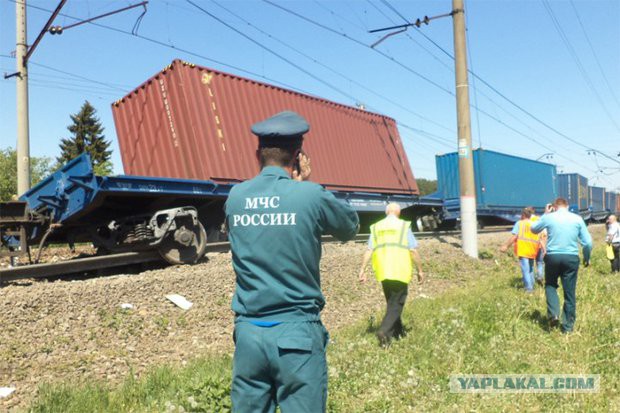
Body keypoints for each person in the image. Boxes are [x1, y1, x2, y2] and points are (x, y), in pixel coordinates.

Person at [225, 110, 359, 413]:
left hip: (249, 334)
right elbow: (349, 228)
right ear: (297, 155)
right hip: (296, 334)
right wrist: (305, 184)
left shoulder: (235, 197)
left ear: (257, 154)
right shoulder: (310, 195)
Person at [358, 203, 424, 347]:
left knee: (392, 302)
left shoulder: (376, 226)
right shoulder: (403, 226)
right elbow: (412, 251)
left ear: (387, 212)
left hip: (383, 270)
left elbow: (369, 249)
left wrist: (362, 269)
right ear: (399, 213)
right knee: (397, 302)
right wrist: (420, 270)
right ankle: (384, 331)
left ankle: (398, 332)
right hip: (399, 269)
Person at [530, 198, 592, 334]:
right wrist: (587, 258)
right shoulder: (577, 219)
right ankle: (568, 327)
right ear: (567, 206)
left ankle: (554, 314)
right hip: (571, 258)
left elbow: (533, 229)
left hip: (552, 257)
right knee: (569, 293)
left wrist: (545, 214)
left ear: (553, 207)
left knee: (550, 285)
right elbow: (587, 243)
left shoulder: (549, 217)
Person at [499, 208, 541, 292]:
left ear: (523, 215)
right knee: (530, 269)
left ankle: (529, 289)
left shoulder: (519, 223)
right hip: (533, 249)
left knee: (525, 269)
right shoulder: (534, 224)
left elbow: (514, 236)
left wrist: (506, 246)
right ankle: (532, 285)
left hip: (523, 249)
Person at [528, 206, 547, 286]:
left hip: (530, 245)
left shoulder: (526, 221)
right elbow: (544, 233)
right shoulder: (539, 220)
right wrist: (544, 246)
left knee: (530, 264)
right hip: (539, 245)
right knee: (540, 262)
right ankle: (540, 277)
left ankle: (532, 283)